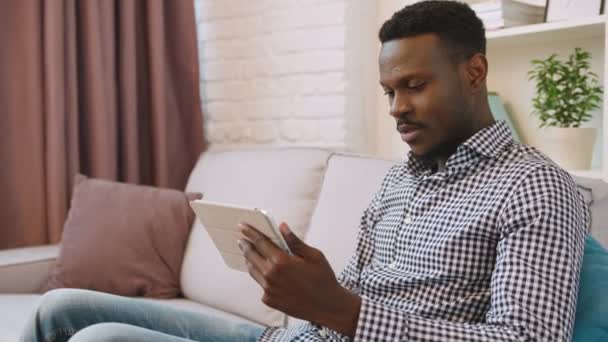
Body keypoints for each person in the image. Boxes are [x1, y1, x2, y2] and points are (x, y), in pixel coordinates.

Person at [21, 1, 588, 341]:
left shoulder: (535, 187)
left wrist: (341, 310)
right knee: (62, 305)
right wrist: (317, 285)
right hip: (292, 336)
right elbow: (360, 298)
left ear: (474, 72)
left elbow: (525, 337)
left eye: (415, 86)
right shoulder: (398, 179)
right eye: (389, 91)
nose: (396, 109)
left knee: (99, 338)